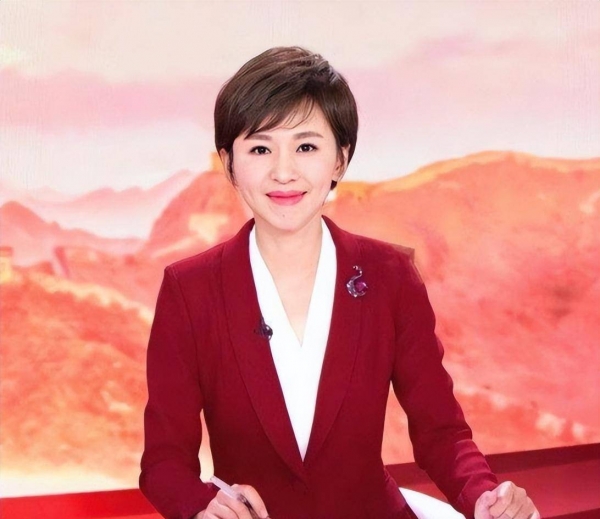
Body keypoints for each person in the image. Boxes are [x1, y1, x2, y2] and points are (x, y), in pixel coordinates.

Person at [140, 46, 540, 519]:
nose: (283, 172)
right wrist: (200, 507)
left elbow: (442, 433)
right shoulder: (190, 290)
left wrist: (484, 497)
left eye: (306, 147)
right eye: (260, 149)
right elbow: (164, 462)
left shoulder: (389, 276)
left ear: (340, 160)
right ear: (229, 162)